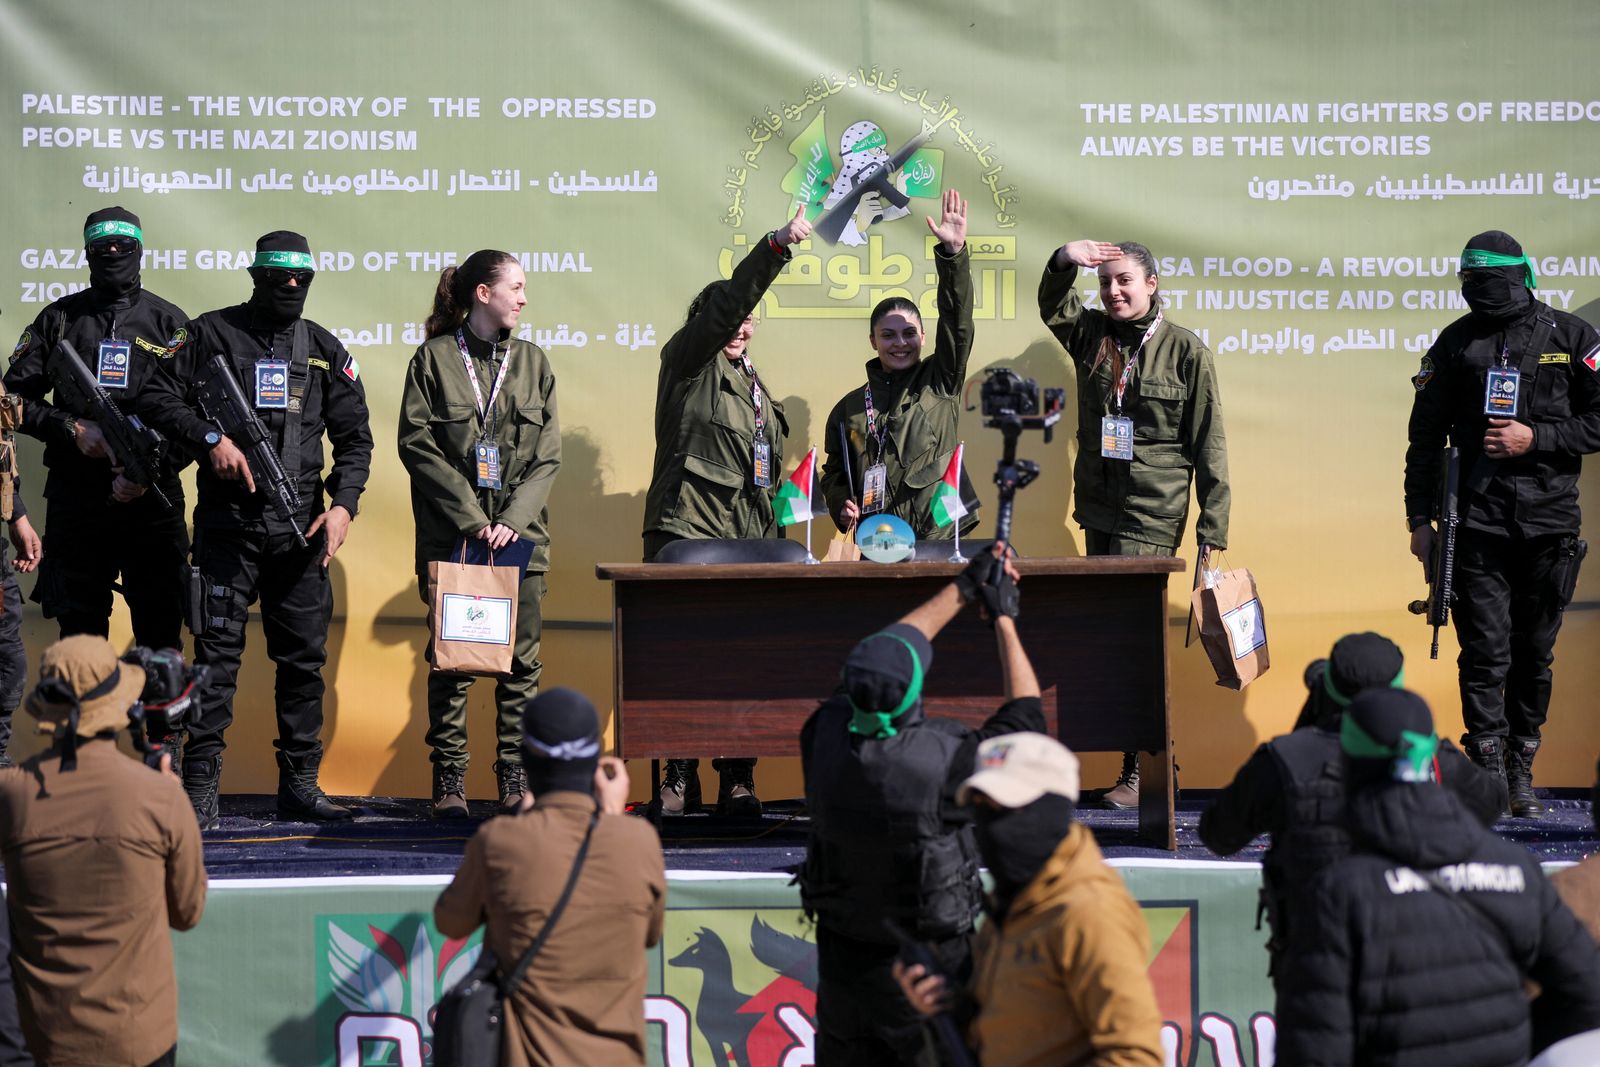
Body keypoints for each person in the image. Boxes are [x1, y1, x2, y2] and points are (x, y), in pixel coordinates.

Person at [143, 230, 373, 829]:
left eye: (302, 280)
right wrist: (210, 438)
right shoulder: (209, 333)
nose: (291, 288)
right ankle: (199, 789)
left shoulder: (322, 347)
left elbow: (355, 439)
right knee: (216, 657)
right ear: (256, 277)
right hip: (228, 526)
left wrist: (343, 506)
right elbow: (156, 395)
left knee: (303, 663)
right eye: (279, 280)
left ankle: (300, 783)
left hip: (302, 530)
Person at [800, 545, 1043, 1065]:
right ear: (915, 698)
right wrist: (1002, 614)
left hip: (844, 973)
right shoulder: (946, 764)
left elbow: (880, 655)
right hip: (928, 975)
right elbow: (1026, 722)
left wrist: (963, 586)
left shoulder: (821, 735)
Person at [1273, 687, 1600, 1066]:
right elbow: (1588, 993)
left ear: (1348, 765)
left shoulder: (1338, 892)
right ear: (1433, 759)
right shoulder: (1516, 869)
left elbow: (1315, 1050)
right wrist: (1517, 1042)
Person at [1405, 230, 1600, 819]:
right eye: (1471, 284)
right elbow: (1423, 439)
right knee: (1485, 653)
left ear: (1520, 277)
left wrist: (1537, 437)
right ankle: (1487, 765)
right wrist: (1418, 519)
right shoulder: (1456, 342)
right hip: (1476, 523)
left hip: (1549, 524)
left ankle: (1522, 766)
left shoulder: (1573, 336)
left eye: (1490, 284)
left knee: (1534, 653)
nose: (1480, 295)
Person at [1038, 238, 1230, 810]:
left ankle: (1147, 767)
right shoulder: (1091, 336)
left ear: (1152, 284)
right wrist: (1063, 259)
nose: (1114, 291)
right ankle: (1141, 766)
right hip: (1098, 507)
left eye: (1125, 281)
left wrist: (1212, 529)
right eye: (1106, 283)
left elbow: (1209, 445)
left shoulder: (1187, 352)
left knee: (1136, 637)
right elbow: (1053, 305)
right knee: (1114, 638)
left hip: (1153, 511)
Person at [1199, 632, 1505, 987]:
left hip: (1314, 961)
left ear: (1329, 688)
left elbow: (1218, 835)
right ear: (1398, 690)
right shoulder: (1434, 760)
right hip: (1418, 960)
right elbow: (1492, 804)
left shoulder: (1283, 760)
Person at [641, 207, 812, 817]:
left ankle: (737, 778)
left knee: (743, 663)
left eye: (747, 319)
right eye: (730, 317)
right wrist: (774, 247)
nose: (739, 326)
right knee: (684, 662)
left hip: (752, 540)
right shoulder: (688, 365)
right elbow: (722, 309)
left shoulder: (759, 390)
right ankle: (677, 777)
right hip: (688, 528)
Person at [397, 251, 561, 818]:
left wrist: (510, 521)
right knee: (454, 662)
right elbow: (416, 447)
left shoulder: (534, 362)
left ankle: (514, 779)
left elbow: (547, 458)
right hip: (457, 539)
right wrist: (474, 519)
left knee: (521, 663)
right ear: (483, 294)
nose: (523, 297)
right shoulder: (435, 360)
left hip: (518, 540)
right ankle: (449, 783)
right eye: (515, 287)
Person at [2, 208, 206, 660]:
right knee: (79, 636)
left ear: (140, 251)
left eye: (123, 247)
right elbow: (10, 401)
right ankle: (85, 731)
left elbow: (195, 418)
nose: (113, 254)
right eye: (102, 248)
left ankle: (162, 730)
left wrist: (150, 469)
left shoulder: (168, 323)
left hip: (152, 501)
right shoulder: (59, 320)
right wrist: (69, 428)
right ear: (87, 254)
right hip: (78, 501)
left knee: (160, 632)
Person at [894, 732, 1164, 1067]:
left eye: (1008, 808)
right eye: (982, 809)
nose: (992, 825)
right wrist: (950, 1007)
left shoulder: (1088, 911)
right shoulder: (1017, 893)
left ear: (1050, 808)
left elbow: (1137, 1058)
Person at [0, 635, 207, 1066]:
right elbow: (187, 912)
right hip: (139, 1039)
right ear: (118, 704)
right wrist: (173, 804)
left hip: (46, 1039)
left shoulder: (12, 794)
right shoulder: (160, 798)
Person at [435, 687, 664, 1066]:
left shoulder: (500, 842)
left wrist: (524, 825)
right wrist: (612, 822)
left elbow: (450, 919)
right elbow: (650, 933)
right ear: (597, 764)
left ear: (525, 760)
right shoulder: (639, 842)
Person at [819, 188, 978, 541]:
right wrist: (840, 501)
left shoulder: (941, 380)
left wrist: (953, 257)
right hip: (876, 538)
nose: (900, 343)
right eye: (888, 335)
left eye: (909, 333)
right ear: (873, 341)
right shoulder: (848, 408)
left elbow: (958, 322)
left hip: (938, 534)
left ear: (923, 337)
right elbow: (833, 472)